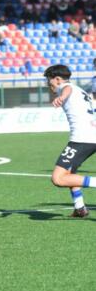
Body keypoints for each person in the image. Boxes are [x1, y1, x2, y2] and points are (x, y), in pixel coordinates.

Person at [44, 64, 96, 218]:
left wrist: (61, 96)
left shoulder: (66, 87)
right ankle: (80, 207)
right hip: (90, 137)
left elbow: (67, 89)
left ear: (58, 79)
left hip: (82, 139)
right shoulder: (80, 90)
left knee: (58, 178)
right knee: (69, 172)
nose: (49, 84)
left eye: (49, 81)